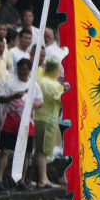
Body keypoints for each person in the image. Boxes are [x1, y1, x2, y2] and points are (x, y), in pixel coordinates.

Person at [0, 58, 43, 188]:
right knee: (5, 151)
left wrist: (35, 104)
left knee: (26, 153)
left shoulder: (34, 85)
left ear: (29, 70)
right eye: (20, 69)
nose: (22, 72)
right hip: (11, 121)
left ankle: (22, 181)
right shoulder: (10, 83)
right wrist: (14, 96)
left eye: (25, 69)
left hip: (27, 123)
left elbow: (40, 101)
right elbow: (0, 99)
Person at [33, 59, 64, 188]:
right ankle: (43, 179)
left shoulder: (38, 80)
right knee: (43, 150)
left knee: (38, 149)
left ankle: (43, 178)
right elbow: (63, 101)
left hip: (36, 118)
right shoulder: (54, 85)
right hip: (48, 120)